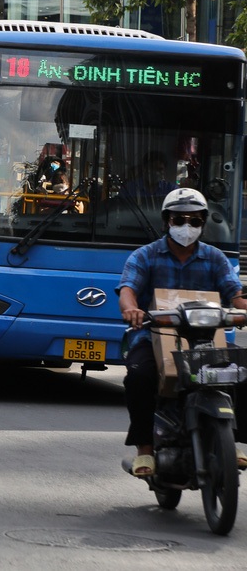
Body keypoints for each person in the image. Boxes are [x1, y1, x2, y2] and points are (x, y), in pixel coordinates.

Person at [117, 187, 247, 476]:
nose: (186, 226)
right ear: (167, 221)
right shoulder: (145, 256)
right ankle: (145, 450)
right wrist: (131, 309)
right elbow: (128, 290)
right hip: (154, 336)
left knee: (239, 373)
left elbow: (235, 296)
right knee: (140, 377)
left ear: (203, 222)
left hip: (207, 338)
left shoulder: (215, 258)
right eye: (179, 220)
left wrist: (243, 307)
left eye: (195, 220)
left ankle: (232, 441)